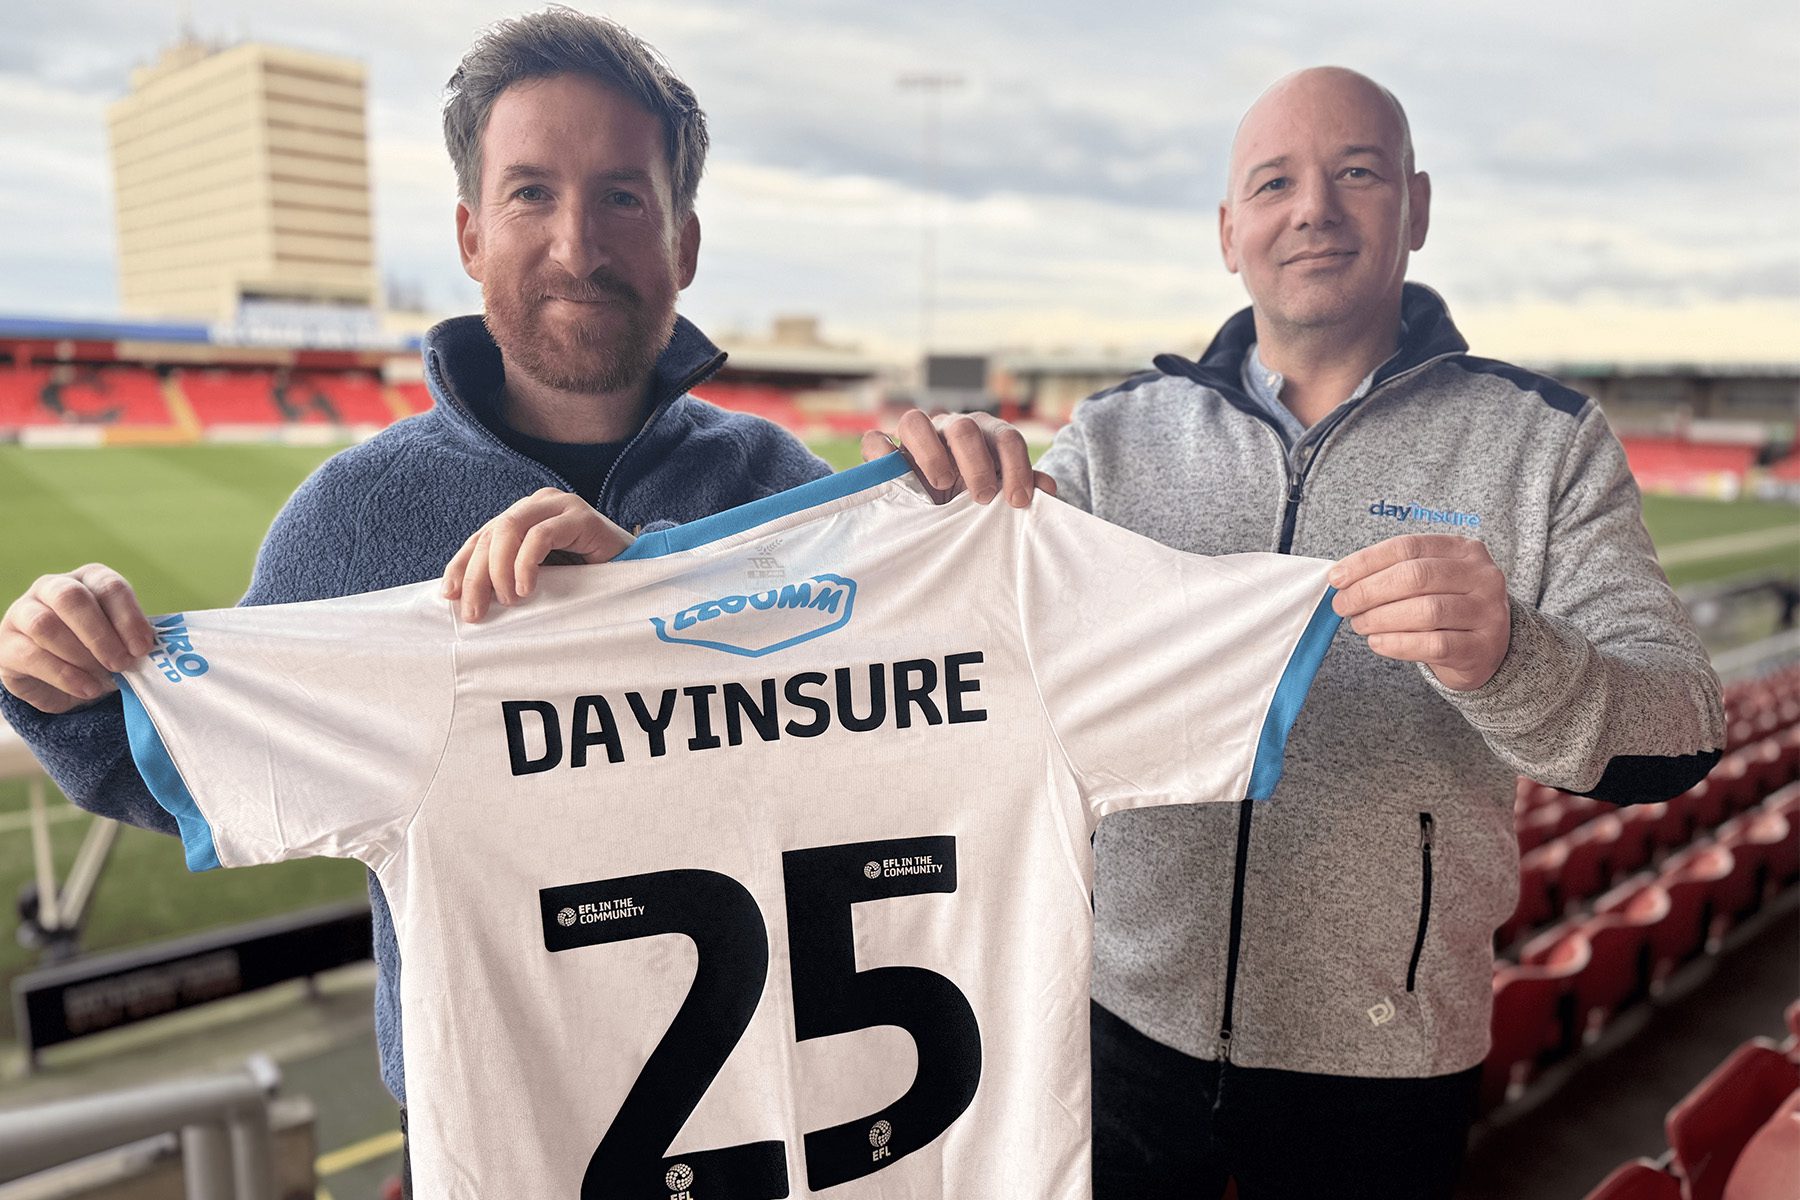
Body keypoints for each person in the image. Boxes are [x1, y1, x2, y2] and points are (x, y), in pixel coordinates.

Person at [0, 10, 1037, 1196]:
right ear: (470, 233)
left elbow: (932, 744)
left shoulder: (786, 491)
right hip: (494, 1137)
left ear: (684, 242)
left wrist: (967, 528)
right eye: (532, 193)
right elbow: (185, 768)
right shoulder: (350, 520)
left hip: (792, 1121)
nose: (576, 242)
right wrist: (60, 674)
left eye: (623, 199)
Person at [849, 66, 1721, 1200]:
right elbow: (970, 646)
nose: (1313, 207)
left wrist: (1510, 657)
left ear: (1416, 207)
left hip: (1384, 1058)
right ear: (1229, 231)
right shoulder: (1115, 438)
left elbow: (1682, 726)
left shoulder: (1541, 443)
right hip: (1121, 1026)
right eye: (1275, 182)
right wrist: (922, 517)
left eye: (1357, 173)